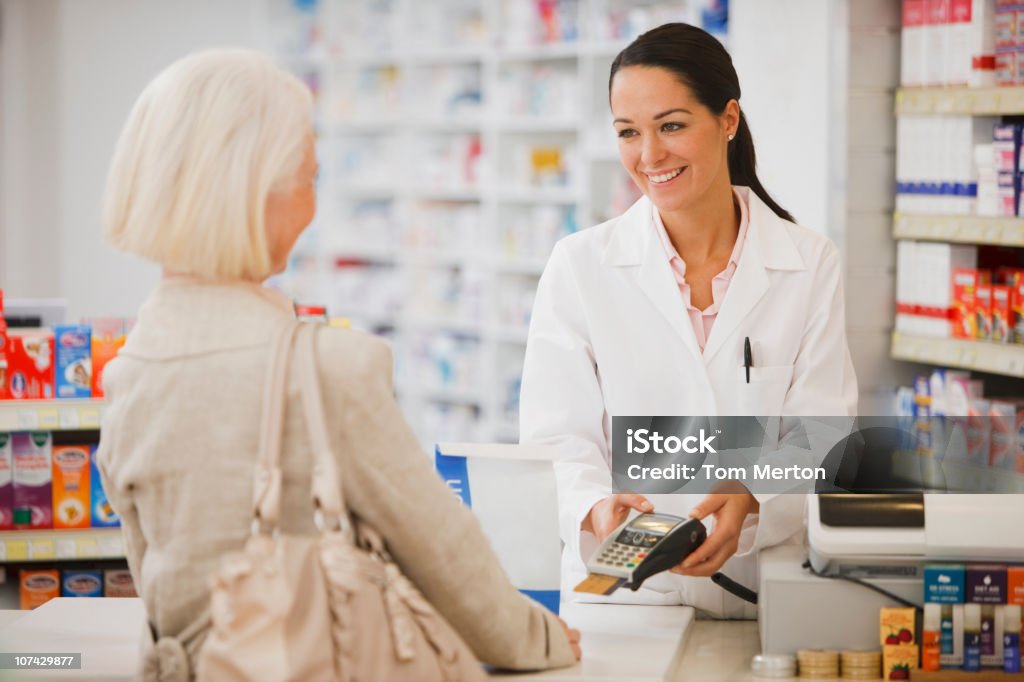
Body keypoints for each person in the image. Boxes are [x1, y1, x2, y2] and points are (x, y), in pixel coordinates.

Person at [97, 48, 580, 680]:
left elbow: (154, 574)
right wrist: (539, 639)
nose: (312, 204)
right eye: (308, 178)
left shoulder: (128, 374)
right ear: (256, 195)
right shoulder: (328, 368)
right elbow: (444, 552)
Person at [520, 23, 857, 618]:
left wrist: (753, 493)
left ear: (727, 120)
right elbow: (555, 438)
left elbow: (823, 429)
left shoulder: (807, 263)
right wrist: (595, 507)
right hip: (627, 597)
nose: (649, 156)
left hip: (760, 591)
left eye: (672, 125)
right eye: (629, 132)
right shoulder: (580, 265)